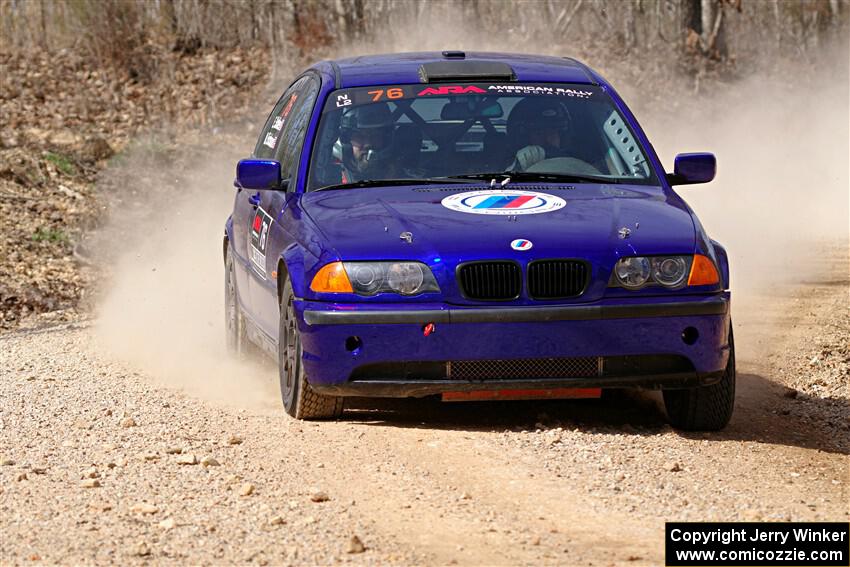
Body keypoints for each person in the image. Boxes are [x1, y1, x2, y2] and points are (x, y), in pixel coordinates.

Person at [506, 97, 572, 171]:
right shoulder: (504, 159)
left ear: (562, 136)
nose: (547, 139)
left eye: (552, 132)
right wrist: (517, 167)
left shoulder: (579, 164)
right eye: (539, 133)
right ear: (525, 138)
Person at [337, 103, 396, 182]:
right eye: (359, 136)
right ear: (346, 141)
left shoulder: (410, 176)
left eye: (375, 135)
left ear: (386, 140)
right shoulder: (330, 181)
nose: (368, 144)